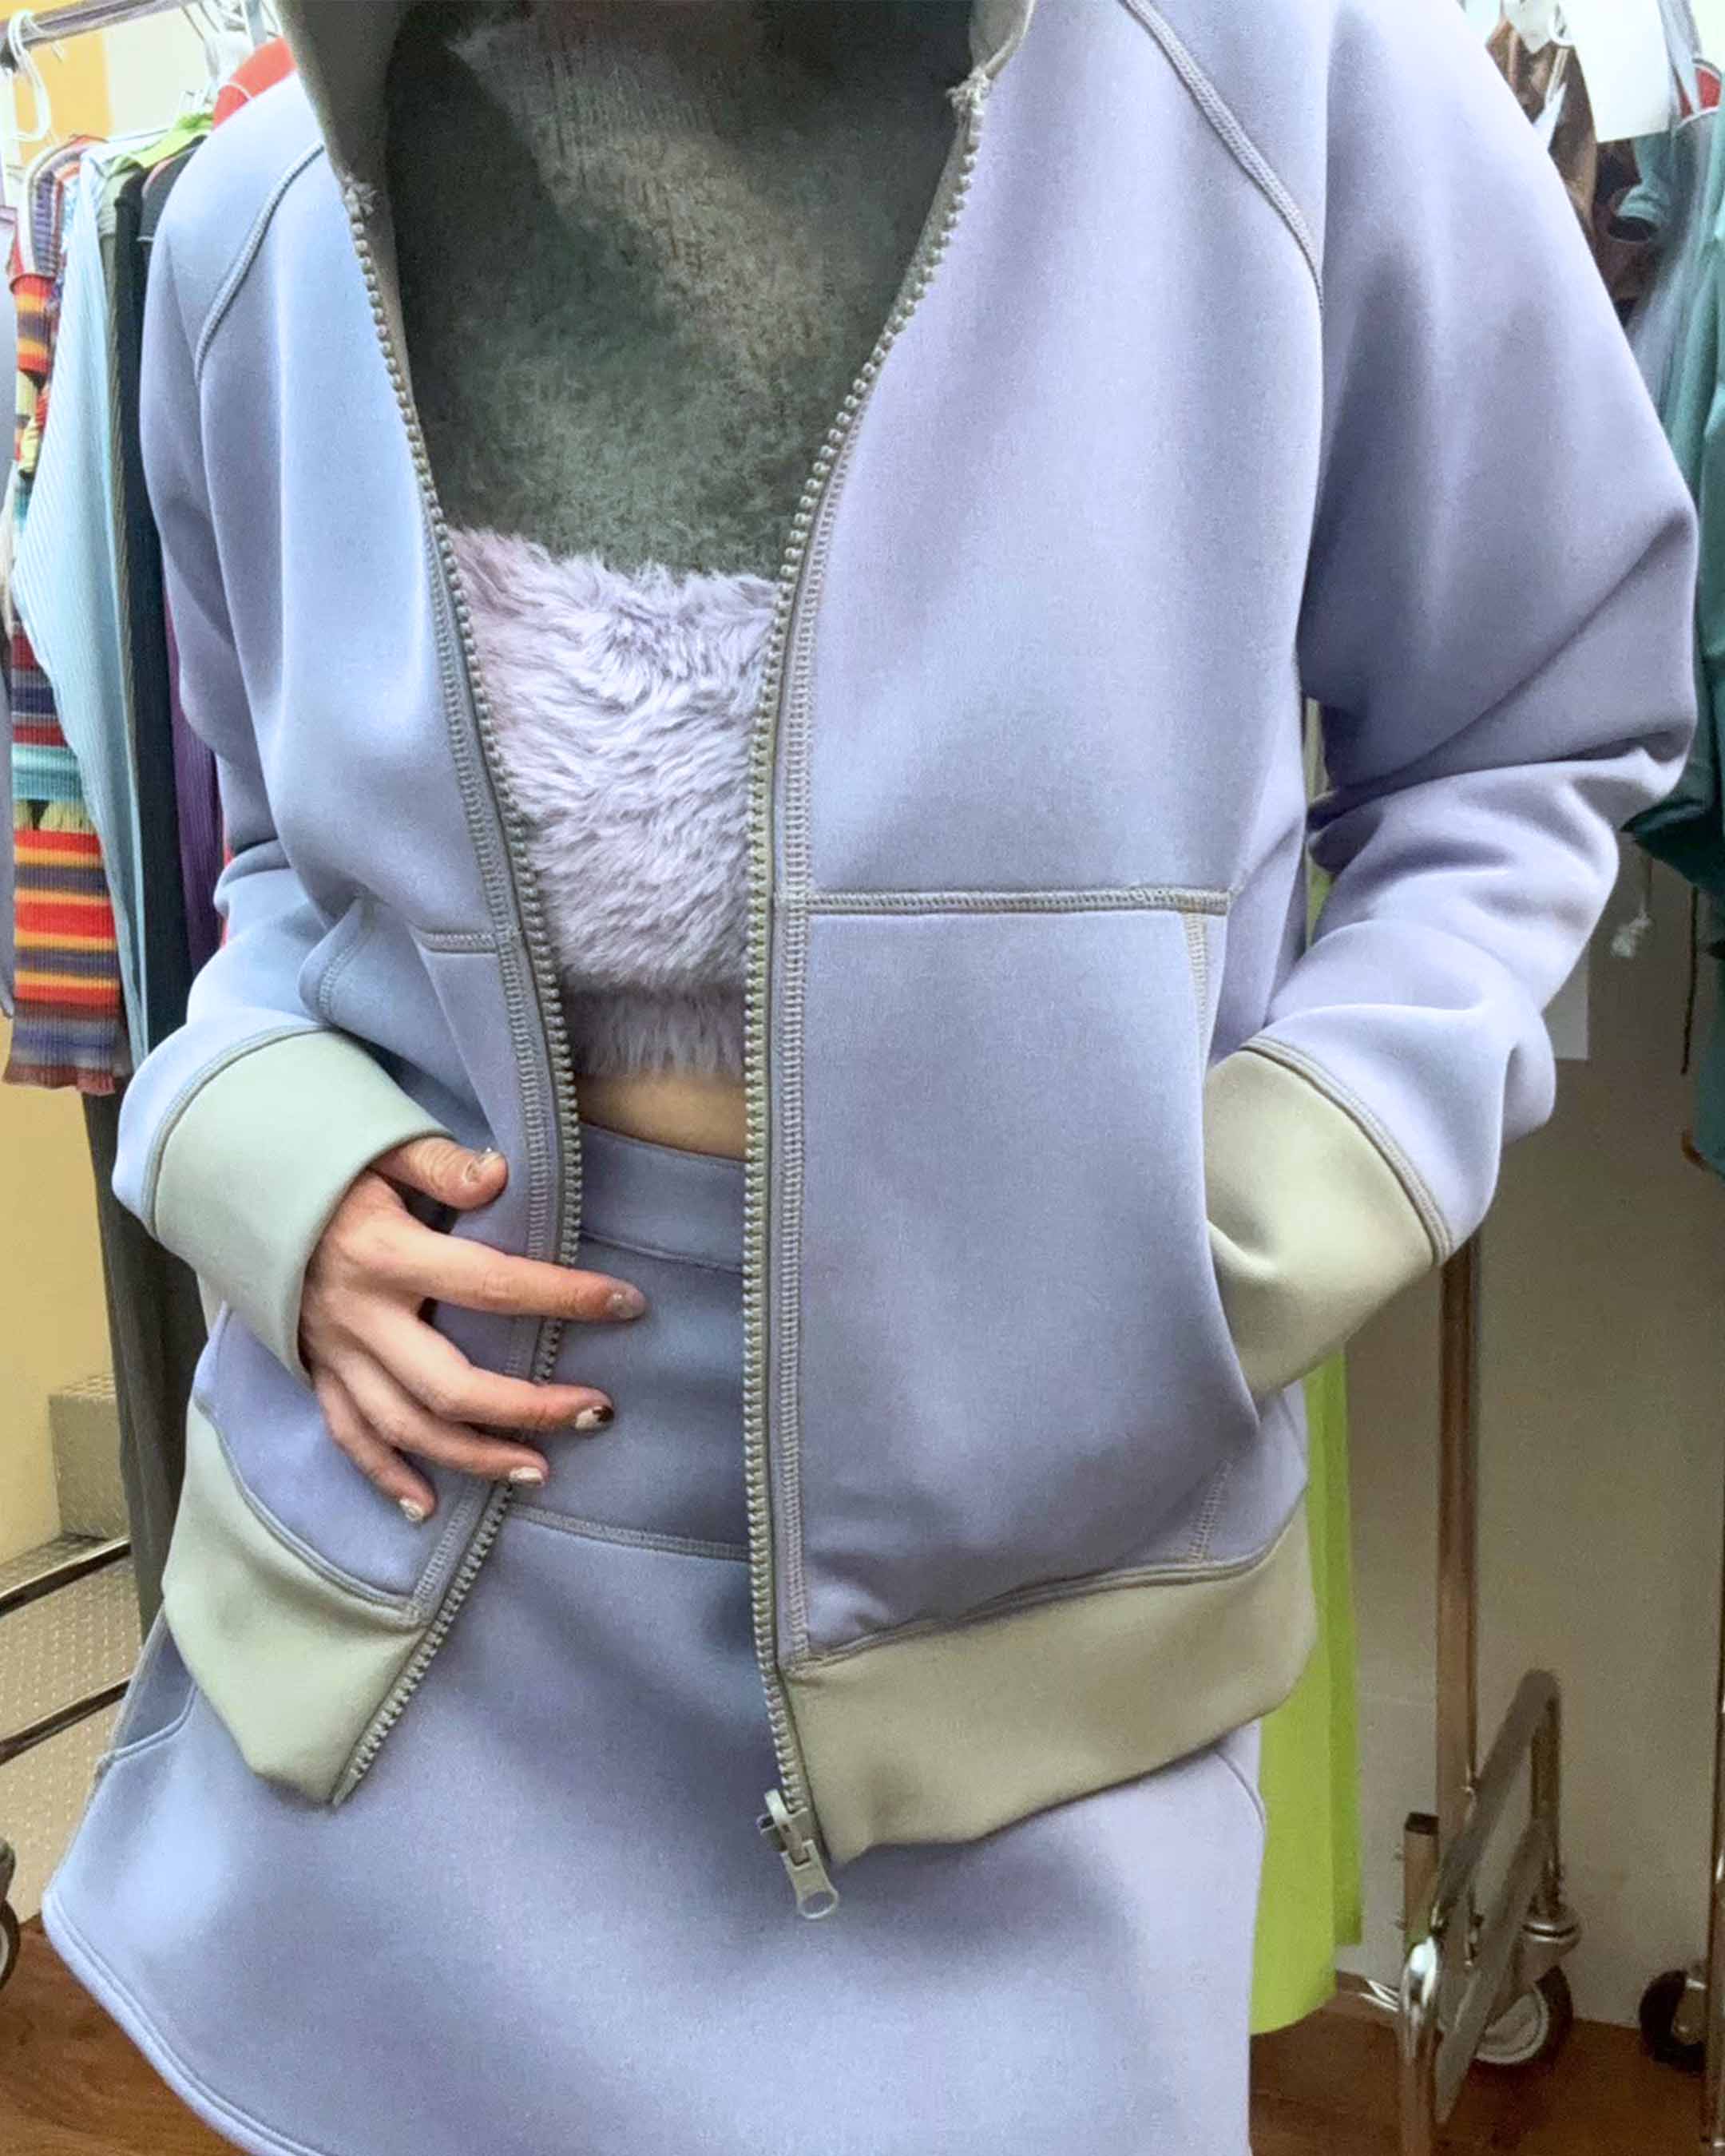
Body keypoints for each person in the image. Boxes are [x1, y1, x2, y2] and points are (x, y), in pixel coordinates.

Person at [43, 2, 1698, 2152]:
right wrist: (274, 1162)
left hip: (1020, 1585)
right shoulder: (258, 221)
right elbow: (276, 859)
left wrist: (1259, 1221)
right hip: (408, 1578)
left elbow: (1532, 732)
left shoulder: (1282, 82)